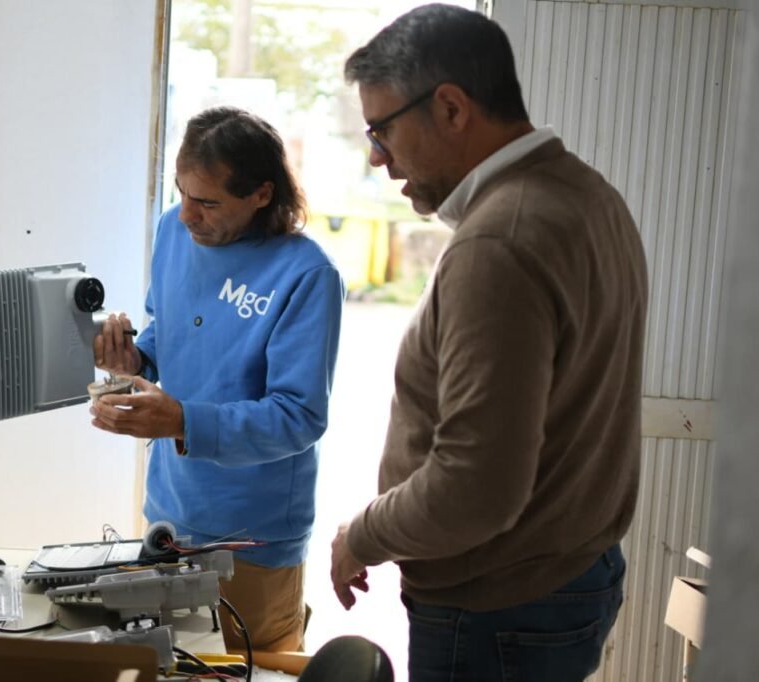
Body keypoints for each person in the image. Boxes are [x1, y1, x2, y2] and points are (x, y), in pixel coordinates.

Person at [330, 5, 648, 682]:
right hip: (566, 574)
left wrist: (362, 535)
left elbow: (475, 487)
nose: (377, 158)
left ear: (450, 108)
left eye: (382, 131)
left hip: (498, 610)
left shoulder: (500, 241)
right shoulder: (588, 195)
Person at [91, 106, 344, 654]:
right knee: (168, 666)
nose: (187, 215)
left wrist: (183, 420)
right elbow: (167, 332)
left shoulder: (308, 274)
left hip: (252, 538)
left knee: (248, 669)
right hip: (168, 514)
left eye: (207, 202)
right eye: (181, 192)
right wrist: (135, 360)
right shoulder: (173, 231)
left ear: (261, 195)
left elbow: (299, 417)